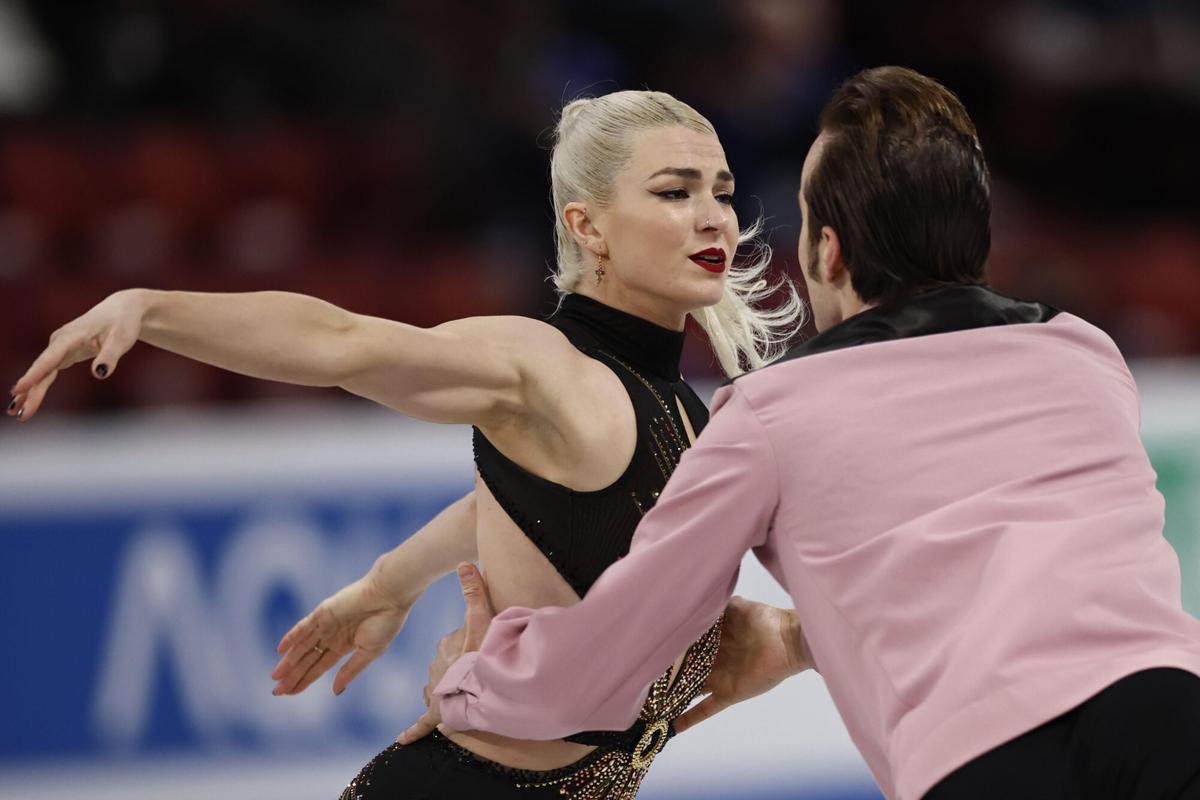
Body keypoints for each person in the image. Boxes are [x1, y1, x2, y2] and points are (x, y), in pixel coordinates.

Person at [417, 67, 1200, 800]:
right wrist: (800, 640)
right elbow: (1011, 573)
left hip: (992, 760)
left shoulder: (772, 414)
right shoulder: (1087, 358)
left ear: (826, 251)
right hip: (1175, 709)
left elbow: (609, 659)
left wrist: (474, 680)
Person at [7, 90, 802, 799]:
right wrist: (152, 309)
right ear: (586, 224)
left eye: (721, 193)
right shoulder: (542, 366)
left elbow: (538, 507)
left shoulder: (678, 411)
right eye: (675, 192)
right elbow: (343, 342)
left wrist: (386, 584)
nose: (713, 217)